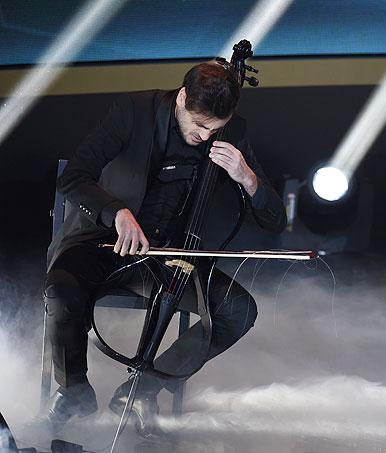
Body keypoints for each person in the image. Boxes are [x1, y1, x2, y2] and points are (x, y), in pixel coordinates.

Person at [43, 60, 286, 437]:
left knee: (239, 311)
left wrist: (248, 178)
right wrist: (116, 211)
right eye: (200, 125)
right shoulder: (133, 111)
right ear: (183, 98)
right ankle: (74, 391)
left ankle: (140, 389)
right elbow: (74, 177)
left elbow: (274, 219)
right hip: (102, 240)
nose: (207, 137)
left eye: (216, 129)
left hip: (171, 257)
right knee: (62, 290)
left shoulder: (233, 133)